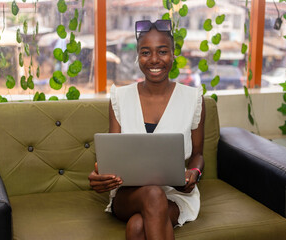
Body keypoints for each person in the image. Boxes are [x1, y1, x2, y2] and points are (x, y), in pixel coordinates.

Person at [88, 19, 205, 240]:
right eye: (145, 52)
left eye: (162, 52)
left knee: (137, 227)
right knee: (152, 193)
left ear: (173, 54)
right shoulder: (119, 97)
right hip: (128, 195)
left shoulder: (193, 98)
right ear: (138, 57)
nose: (154, 60)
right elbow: (114, 155)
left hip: (174, 194)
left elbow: (198, 154)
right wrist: (98, 174)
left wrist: (195, 173)